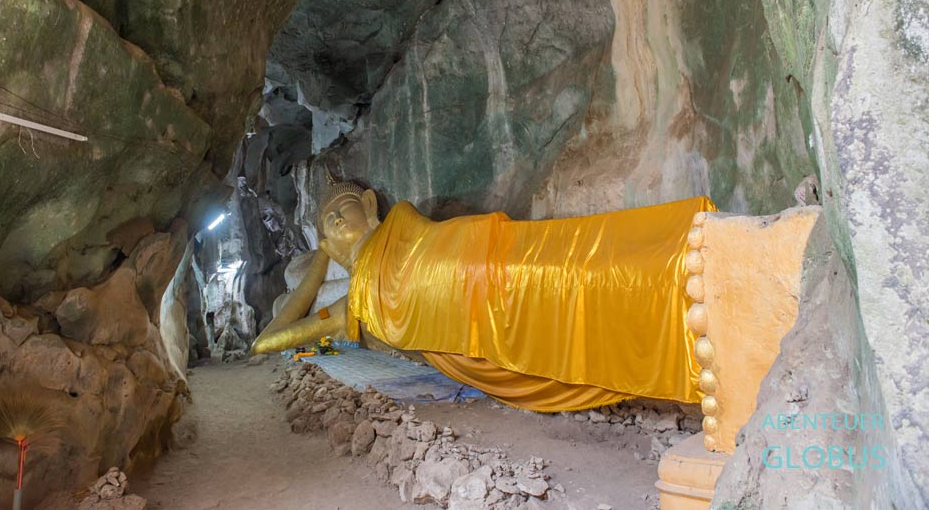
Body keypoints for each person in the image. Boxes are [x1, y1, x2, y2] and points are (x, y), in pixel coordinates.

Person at [251, 176, 715, 411]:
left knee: (565, 256)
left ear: (369, 205)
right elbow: (269, 339)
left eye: (342, 209)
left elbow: (435, 239)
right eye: (326, 224)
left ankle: (675, 247)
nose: (335, 220)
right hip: (473, 301)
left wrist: (329, 252)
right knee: (565, 296)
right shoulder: (356, 300)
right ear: (328, 245)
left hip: (473, 254)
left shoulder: (401, 227)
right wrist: (320, 260)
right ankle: (678, 305)